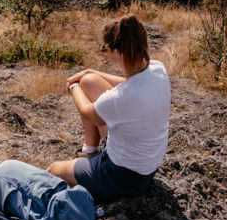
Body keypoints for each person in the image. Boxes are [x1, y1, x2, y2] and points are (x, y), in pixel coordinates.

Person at [47, 14, 171, 203]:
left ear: (119, 52)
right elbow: (128, 82)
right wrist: (89, 73)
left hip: (122, 176)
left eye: (106, 49)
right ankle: (90, 151)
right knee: (90, 81)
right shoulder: (157, 69)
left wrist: (74, 87)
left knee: (54, 170)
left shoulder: (121, 98)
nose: (105, 53)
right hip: (145, 167)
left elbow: (87, 110)